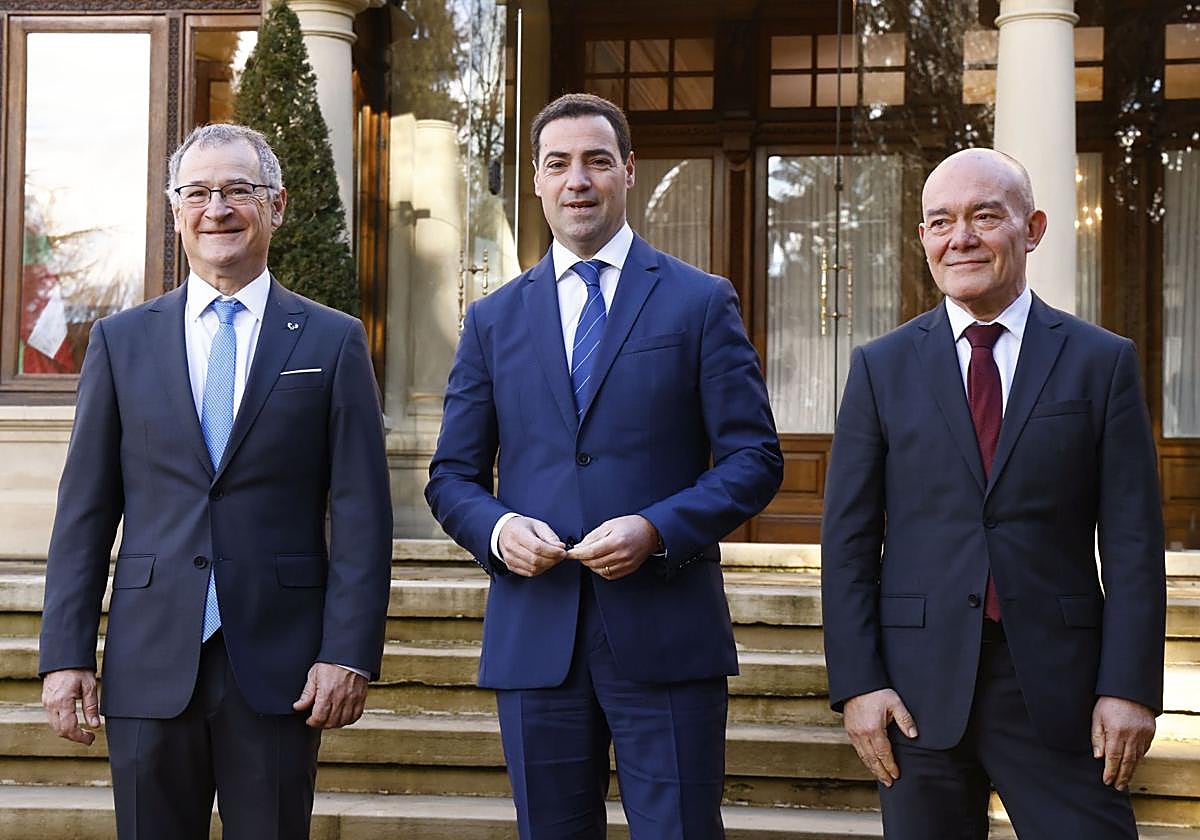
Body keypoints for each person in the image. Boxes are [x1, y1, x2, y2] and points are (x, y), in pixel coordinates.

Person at [426, 93, 783, 839]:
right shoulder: (491, 320)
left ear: (628, 170)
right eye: (558, 164)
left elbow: (754, 459)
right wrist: (499, 531)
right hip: (536, 636)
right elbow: (451, 477)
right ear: (536, 180)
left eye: (596, 161)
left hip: (667, 631)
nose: (578, 180)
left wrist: (656, 529)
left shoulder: (699, 301)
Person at [38, 123, 393, 839]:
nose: (217, 208)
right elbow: (85, 511)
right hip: (148, 657)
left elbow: (362, 514)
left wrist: (347, 652)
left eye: (238, 190)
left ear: (276, 205)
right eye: (197, 193)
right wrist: (66, 654)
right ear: (176, 212)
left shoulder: (332, 340)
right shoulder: (120, 341)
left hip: (282, 665)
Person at [821, 147, 1166, 839]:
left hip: (1060, 688)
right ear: (923, 238)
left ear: (1032, 229)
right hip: (916, 693)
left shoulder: (1102, 362)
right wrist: (858, 684)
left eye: (984, 216)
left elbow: (1133, 543)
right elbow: (849, 542)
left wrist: (1129, 687)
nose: (961, 238)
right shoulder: (880, 368)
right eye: (941, 221)